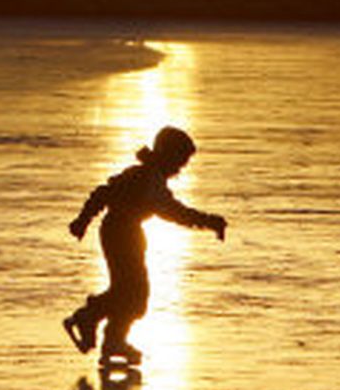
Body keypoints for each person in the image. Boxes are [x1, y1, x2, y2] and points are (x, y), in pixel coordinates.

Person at [65, 126, 227, 366]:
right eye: (179, 161)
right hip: (121, 233)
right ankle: (92, 322)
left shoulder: (147, 175)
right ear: (166, 154)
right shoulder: (147, 178)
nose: (180, 169)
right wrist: (209, 221)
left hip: (124, 232)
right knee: (133, 294)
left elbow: (105, 193)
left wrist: (84, 219)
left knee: (129, 293)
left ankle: (108, 336)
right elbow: (173, 212)